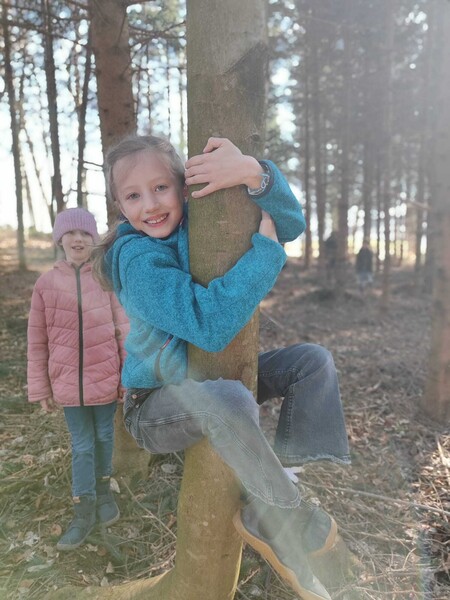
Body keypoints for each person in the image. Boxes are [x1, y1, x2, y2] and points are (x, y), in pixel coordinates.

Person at [93, 135, 350, 600]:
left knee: (311, 363)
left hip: (208, 378)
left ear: (183, 185)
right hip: (153, 405)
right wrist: (264, 256)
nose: (151, 205)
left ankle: (279, 476)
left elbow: (290, 223)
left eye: (161, 188)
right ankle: (279, 515)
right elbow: (207, 325)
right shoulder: (137, 260)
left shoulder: (205, 219)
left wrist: (255, 173)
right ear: (120, 206)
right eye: (133, 195)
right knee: (227, 400)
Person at [27, 208, 129, 551]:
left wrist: (126, 378)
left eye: (85, 234)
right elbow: (37, 340)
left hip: (105, 380)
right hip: (67, 385)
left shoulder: (105, 280)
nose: (78, 239)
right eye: (71, 233)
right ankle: (83, 509)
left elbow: (124, 331)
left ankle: (104, 494)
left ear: (94, 239)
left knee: (105, 437)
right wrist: (41, 387)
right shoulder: (45, 284)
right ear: (60, 239)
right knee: (82, 445)